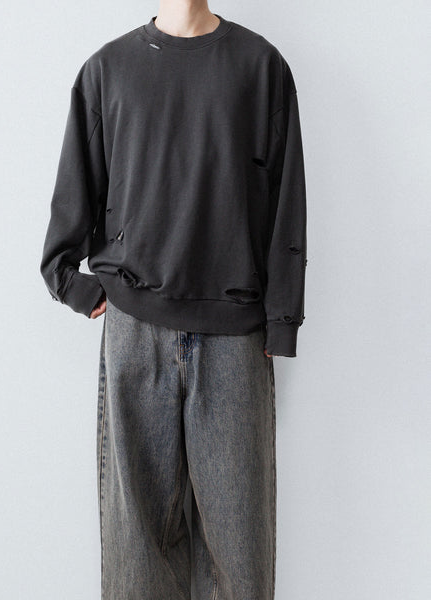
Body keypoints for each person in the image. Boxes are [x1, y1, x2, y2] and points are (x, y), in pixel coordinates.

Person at [40, 2, 307, 598]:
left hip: (236, 336)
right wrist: (70, 282)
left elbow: (287, 199)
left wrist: (282, 319)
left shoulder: (260, 66)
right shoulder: (107, 70)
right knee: (136, 550)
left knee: (239, 551)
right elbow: (74, 192)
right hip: (134, 329)